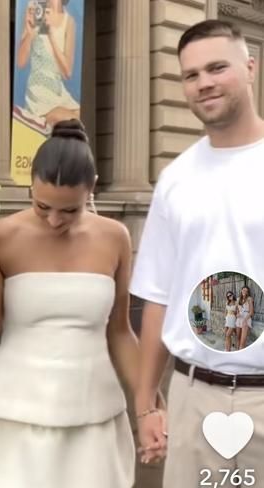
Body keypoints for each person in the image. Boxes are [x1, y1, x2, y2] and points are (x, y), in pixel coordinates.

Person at [0, 119, 139, 487]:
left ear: (91, 190)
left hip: (93, 421)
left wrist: (148, 399)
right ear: (30, 184)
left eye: (70, 211)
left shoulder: (115, 237)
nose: (54, 220)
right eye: (42, 206)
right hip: (12, 422)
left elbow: (120, 332)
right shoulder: (0, 236)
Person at [132, 19, 264, 487]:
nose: (203, 82)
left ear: (250, 68)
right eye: (191, 75)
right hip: (192, 395)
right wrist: (146, 402)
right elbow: (157, 295)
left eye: (216, 68)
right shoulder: (176, 180)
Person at [14, 0, 80, 134]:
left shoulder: (69, 21)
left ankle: (44, 125)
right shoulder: (35, 7)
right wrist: (30, 33)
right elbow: (20, 62)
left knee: (81, 117)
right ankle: (40, 120)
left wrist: (51, 36)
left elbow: (67, 72)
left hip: (58, 90)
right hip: (39, 91)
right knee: (71, 120)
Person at [236, 285, 255, 350]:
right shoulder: (238, 299)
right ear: (241, 290)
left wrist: (245, 320)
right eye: (244, 290)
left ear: (248, 292)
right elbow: (237, 310)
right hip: (239, 319)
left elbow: (251, 312)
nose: (245, 292)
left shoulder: (249, 298)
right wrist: (238, 314)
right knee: (238, 338)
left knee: (242, 341)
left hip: (246, 318)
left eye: (246, 291)